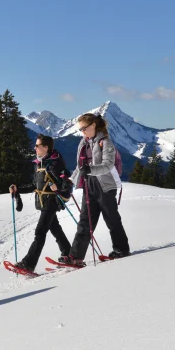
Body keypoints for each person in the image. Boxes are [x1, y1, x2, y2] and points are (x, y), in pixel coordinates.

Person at [60, 113, 131, 266]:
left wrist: (90, 169)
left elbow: (108, 165)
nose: (82, 132)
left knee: (111, 219)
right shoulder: (83, 143)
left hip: (105, 186)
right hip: (89, 185)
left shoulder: (106, 142)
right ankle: (75, 257)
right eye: (80, 129)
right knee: (85, 221)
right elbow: (81, 167)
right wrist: (70, 181)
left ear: (93, 125)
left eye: (84, 128)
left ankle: (122, 249)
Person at [9, 134, 73, 272]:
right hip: (43, 202)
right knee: (55, 229)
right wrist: (17, 188)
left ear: (46, 147)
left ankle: (28, 263)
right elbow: (34, 186)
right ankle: (69, 253)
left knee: (40, 232)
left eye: (37, 145)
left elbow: (66, 183)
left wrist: (59, 187)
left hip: (52, 202)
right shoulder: (40, 164)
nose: (35, 148)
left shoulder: (55, 164)